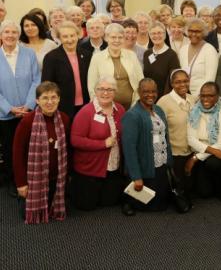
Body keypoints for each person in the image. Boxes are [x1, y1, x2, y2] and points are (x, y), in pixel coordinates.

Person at [12, 81, 70, 223]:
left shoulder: (64, 119)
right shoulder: (27, 121)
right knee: (26, 215)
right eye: (45, 98)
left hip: (56, 179)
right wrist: (21, 183)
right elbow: (17, 154)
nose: (49, 102)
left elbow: (69, 149)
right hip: (33, 181)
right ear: (37, 100)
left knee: (56, 207)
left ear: (59, 99)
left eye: (53, 97)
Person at [70, 76, 126, 211]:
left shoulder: (120, 110)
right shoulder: (86, 112)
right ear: (95, 91)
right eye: (101, 89)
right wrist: (103, 144)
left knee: (110, 203)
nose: (105, 93)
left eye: (109, 89)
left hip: (112, 167)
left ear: (115, 91)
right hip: (90, 169)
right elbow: (75, 140)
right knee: (86, 206)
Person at [121, 78, 174, 214]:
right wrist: (136, 176)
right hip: (145, 169)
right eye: (146, 92)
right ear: (139, 92)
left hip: (160, 165)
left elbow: (165, 137)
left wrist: (169, 161)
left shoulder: (159, 110)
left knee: (163, 204)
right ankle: (128, 202)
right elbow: (129, 149)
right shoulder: (132, 115)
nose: (151, 95)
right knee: (150, 206)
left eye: (153, 91)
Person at [0, 21, 41, 194]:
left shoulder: (29, 54)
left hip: (28, 113)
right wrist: (9, 108)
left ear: (18, 35)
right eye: (6, 32)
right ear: (1, 35)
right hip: (5, 115)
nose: (10, 35)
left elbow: (36, 80)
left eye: (13, 32)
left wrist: (29, 105)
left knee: (29, 148)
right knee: (10, 150)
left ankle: (31, 180)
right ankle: (15, 182)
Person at [186, 82, 221, 200]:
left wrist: (196, 158)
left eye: (210, 96)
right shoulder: (194, 110)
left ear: (218, 96)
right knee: (204, 193)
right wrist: (201, 154)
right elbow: (191, 139)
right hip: (203, 150)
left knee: (213, 163)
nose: (205, 99)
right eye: (203, 95)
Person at [157, 69, 197, 212]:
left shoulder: (193, 99)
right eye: (178, 81)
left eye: (185, 81)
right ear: (172, 83)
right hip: (175, 152)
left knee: (193, 187)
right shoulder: (164, 102)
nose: (182, 84)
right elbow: (157, 129)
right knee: (177, 186)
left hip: (192, 150)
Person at [88, 23, 144, 110]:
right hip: (106, 106)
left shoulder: (131, 55)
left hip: (132, 106)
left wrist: (138, 102)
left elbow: (141, 80)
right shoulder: (97, 58)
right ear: (106, 38)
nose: (117, 40)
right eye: (113, 37)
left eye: (120, 37)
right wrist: (99, 106)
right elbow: (92, 85)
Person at [42, 21, 91, 119]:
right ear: (59, 38)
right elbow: (47, 85)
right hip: (63, 107)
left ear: (78, 35)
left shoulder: (87, 55)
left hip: (86, 105)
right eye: (65, 36)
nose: (69, 40)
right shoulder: (51, 57)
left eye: (72, 35)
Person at [177, 18, 218, 97]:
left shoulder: (210, 50)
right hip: (183, 95)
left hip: (202, 96)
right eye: (191, 31)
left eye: (197, 31)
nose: (193, 34)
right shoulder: (183, 49)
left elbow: (209, 79)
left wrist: (195, 97)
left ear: (204, 33)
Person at [143, 22, 180, 99]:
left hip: (165, 98)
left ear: (165, 34)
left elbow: (174, 81)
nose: (156, 36)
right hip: (148, 96)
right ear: (149, 35)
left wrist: (164, 99)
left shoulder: (172, 55)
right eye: (153, 33)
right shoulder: (147, 53)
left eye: (159, 33)